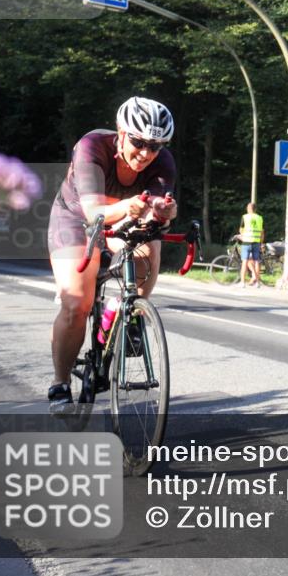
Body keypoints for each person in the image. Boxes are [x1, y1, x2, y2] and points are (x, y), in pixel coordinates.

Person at [47, 96, 177, 412]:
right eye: (139, 142)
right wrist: (127, 206)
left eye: (156, 146)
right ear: (121, 132)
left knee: (149, 247)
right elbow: (94, 214)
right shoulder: (91, 147)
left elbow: (152, 216)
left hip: (122, 217)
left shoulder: (163, 162)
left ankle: (127, 312)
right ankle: (60, 383)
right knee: (77, 302)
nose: (146, 153)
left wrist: (163, 213)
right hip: (76, 221)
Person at [237, 202, 264, 288]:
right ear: (255, 209)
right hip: (256, 242)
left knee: (244, 261)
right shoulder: (260, 218)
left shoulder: (245, 217)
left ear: (248, 209)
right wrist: (261, 242)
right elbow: (262, 232)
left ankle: (242, 282)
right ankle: (257, 283)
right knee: (256, 261)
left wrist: (243, 235)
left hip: (246, 242)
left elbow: (241, 230)